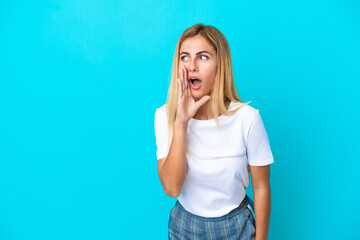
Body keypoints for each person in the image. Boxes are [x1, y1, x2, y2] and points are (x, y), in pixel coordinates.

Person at [154, 23, 274, 239]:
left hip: (236, 227)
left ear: (221, 64)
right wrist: (181, 122)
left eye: (202, 57)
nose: (191, 66)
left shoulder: (247, 118)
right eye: (185, 57)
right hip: (185, 227)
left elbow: (261, 187)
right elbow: (172, 188)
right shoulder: (165, 116)